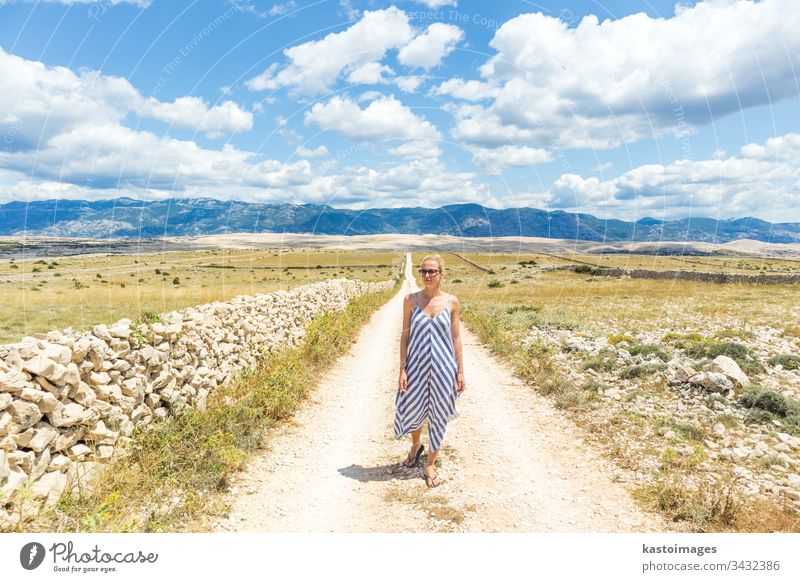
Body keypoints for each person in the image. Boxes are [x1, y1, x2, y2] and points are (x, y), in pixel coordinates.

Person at [394, 254, 466, 488]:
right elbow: (405, 335)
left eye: (432, 271)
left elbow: (456, 338)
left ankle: (430, 464)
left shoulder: (452, 302)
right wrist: (402, 368)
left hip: (444, 369)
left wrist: (460, 372)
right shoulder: (410, 300)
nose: (426, 275)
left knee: (438, 414)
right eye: (423, 271)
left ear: (441, 274)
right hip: (416, 366)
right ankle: (416, 446)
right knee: (414, 410)